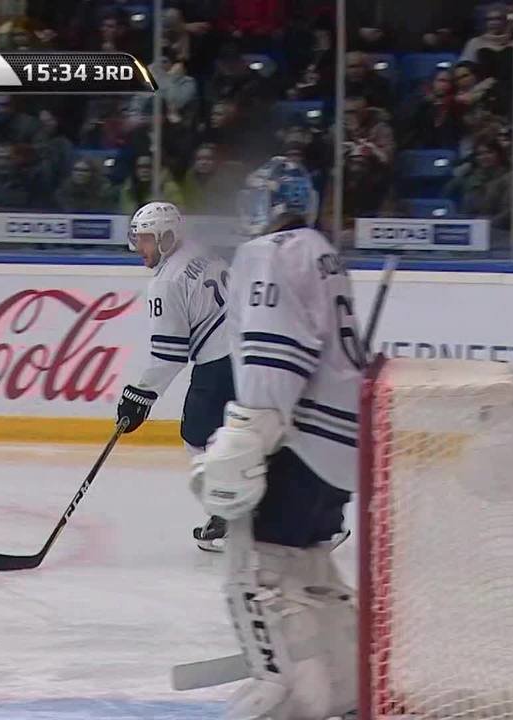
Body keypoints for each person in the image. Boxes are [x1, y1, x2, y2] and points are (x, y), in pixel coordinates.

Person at [190, 157, 361, 719]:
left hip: (299, 443)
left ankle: (285, 693)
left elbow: (275, 354)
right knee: (308, 569)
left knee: (257, 572)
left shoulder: (270, 252)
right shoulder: (321, 252)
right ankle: (344, 685)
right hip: (340, 451)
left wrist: (246, 436)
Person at [115, 201, 235, 552]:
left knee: (197, 435)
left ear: (167, 238)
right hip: (252, 350)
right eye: (138, 238)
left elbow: (169, 355)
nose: (139, 247)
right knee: (251, 436)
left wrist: (139, 396)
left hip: (221, 361)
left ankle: (229, 518)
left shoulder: (166, 282)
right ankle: (302, 520)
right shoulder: (201, 251)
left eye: (146, 239)